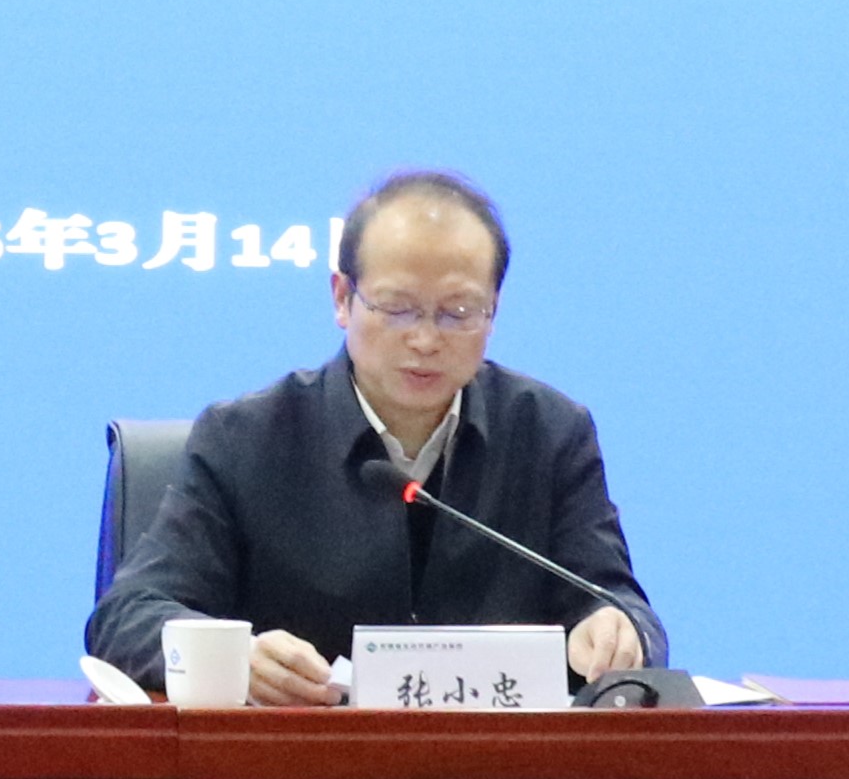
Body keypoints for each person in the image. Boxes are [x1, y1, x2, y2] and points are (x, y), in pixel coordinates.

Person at [89, 169, 652, 705]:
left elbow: (622, 607)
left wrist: (614, 633)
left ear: (493, 311)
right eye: (398, 309)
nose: (425, 339)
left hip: (501, 762)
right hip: (301, 761)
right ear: (342, 298)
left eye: (458, 312)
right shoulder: (245, 439)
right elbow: (126, 615)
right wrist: (237, 659)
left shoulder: (551, 434)